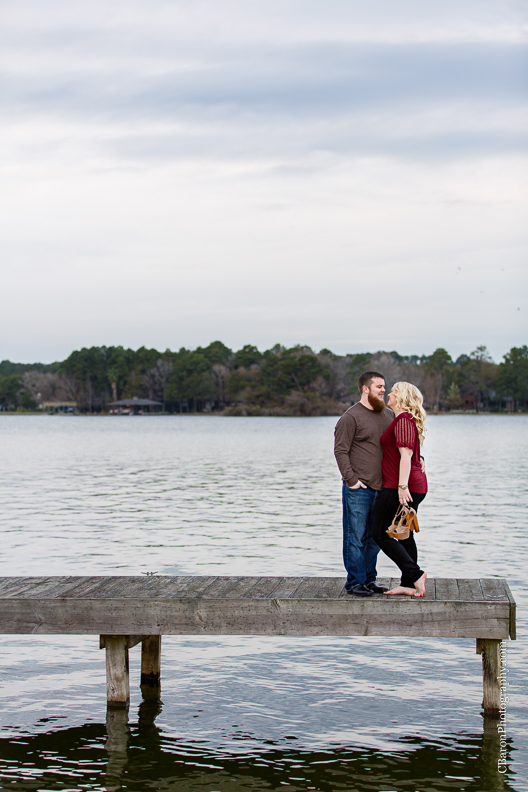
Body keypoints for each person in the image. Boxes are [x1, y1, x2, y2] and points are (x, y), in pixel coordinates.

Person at [334, 371, 394, 596]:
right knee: (356, 537)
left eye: (384, 386)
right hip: (359, 489)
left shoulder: (388, 415)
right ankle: (355, 582)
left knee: (375, 538)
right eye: (379, 386)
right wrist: (351, 481)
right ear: (365, 389)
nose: (383, 390)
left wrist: (419, 460)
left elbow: (400, 445)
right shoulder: (351, 417)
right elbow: (340, 450)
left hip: (383, 488)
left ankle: (369, 579)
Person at [372, 381, 428, 597]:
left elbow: (405, 455)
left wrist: (401, 488)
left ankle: (415, 574)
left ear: (402, 397)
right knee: (404, 534)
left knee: (380, 534)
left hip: (401, 485)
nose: (389, 394)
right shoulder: (403, 420)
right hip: (411, 484)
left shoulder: (403, 419)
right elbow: (411, 452)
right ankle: (409, 584)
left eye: (393, 391)